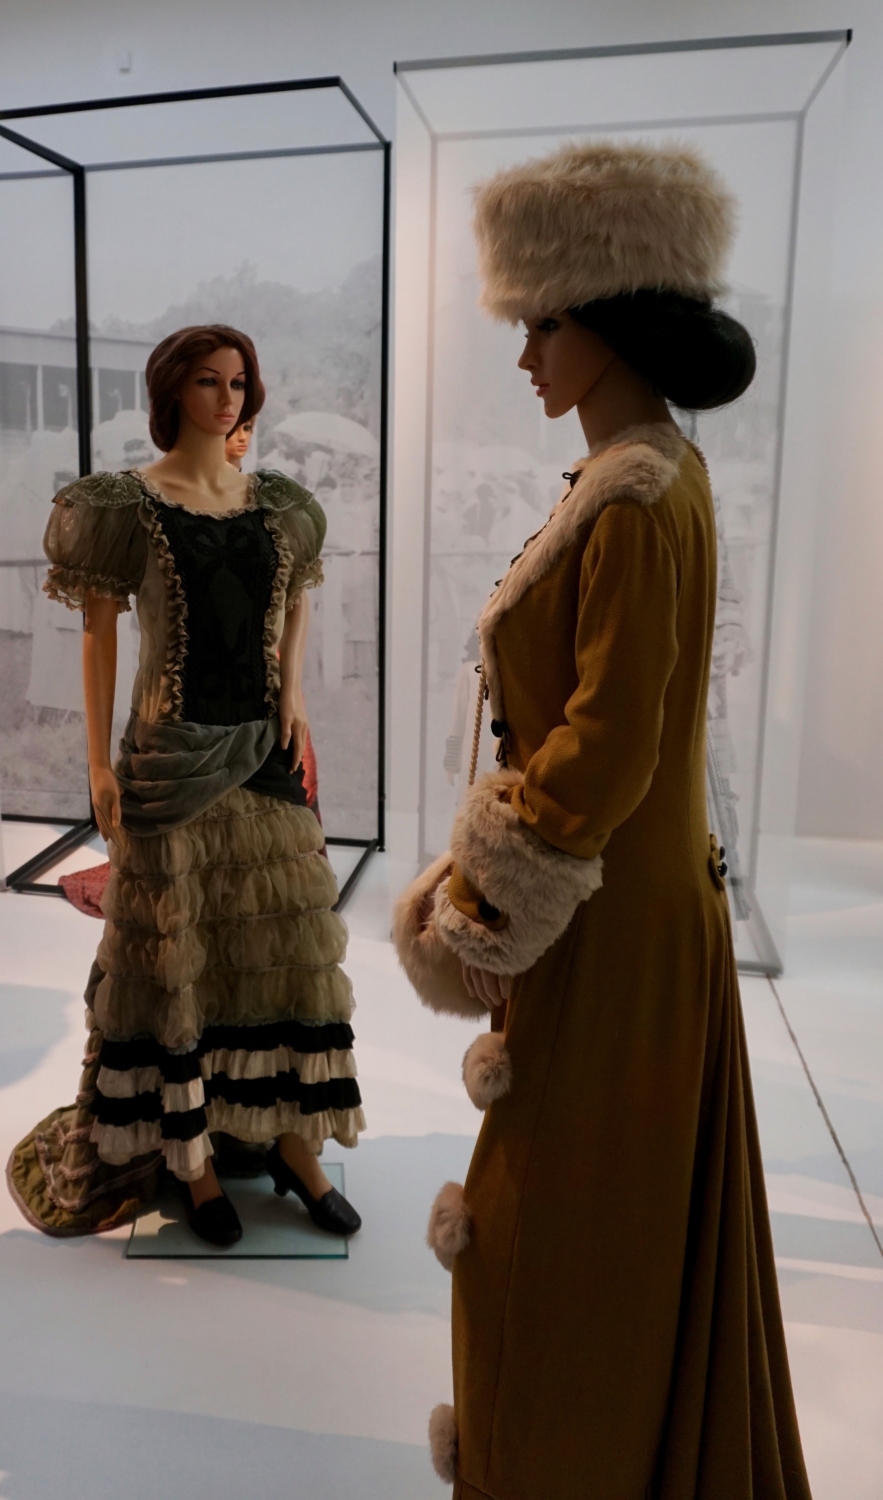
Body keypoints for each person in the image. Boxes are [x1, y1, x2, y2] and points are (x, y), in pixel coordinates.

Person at [394, 142, 811, 1498]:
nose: (524, 356)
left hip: (604, 919)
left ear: (611, 321)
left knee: (555, 1231)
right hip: (628, 905)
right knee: (599, 1220)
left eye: (543, 325)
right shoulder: (644, 473)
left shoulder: (632, 494)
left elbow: (606, 745)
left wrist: (477, 907)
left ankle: (556, 1467)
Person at [8, 324, 363, 1248]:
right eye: (208, 381)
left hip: (265, 754)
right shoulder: (124, 506)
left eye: (238, 382)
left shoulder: (280, 502)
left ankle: (292, 1143)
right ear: (173, 391)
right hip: (170, 756)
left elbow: (295, 598)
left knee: (283, 952)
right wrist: (97, 763)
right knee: (180, 957)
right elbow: (98, 634)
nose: (226, 398)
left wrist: (294, 696)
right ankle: (193, 1157)